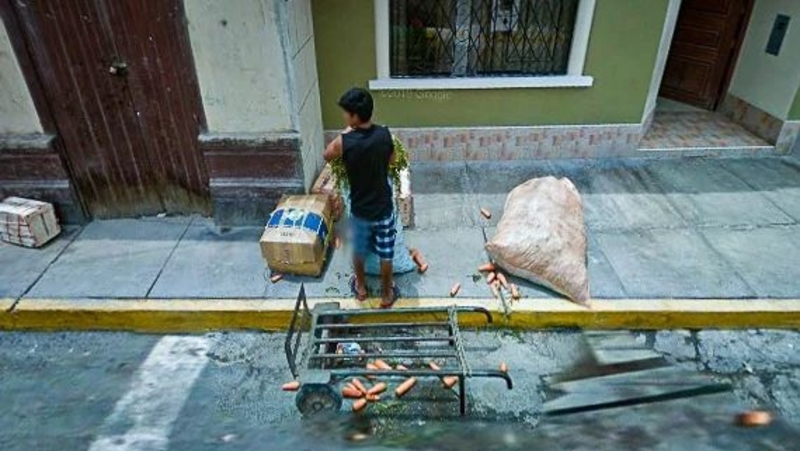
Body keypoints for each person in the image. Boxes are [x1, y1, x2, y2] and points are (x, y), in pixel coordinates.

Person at [323, 87, 399, 308]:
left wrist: (347, 132)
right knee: (386, 254)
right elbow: (393, 159)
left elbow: (327, 155)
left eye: (346, 113)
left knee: (359, 249)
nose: (344, 117)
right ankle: (386, 294)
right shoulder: (384, 134)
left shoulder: (343, 142)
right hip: (384, 208)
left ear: (354, 116)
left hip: (360, 211)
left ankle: (362, 288)